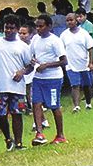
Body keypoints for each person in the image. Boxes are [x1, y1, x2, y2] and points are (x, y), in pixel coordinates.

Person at [0, 17, 31, 149]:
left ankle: (19, 142)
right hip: (0, 85)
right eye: (6, 28)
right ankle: (8, 138)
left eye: (11, 28)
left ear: (16, 29)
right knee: (0, 114)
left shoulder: (23, 47)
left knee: (17, 113)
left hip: (17, 86)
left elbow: (30, 66)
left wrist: (22, 72)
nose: (8, 30)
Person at [26, 15, 68, 143]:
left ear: (49, 26)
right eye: (37, 26)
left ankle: (60, 135)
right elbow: (32, 54)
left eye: (41, 26)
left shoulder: (55, 41)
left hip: (53, 78)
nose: (38, 29)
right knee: (36, 103)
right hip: (38, 77)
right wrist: (33, 61)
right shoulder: (35, 39)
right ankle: (39, 133)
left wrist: (47, 65)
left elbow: (64, 61)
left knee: (54, 106)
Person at [61, 10, 93, 110]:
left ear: (76, 20)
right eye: (67, 20)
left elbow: (90, 48)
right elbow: (61, 49)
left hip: (84, 64)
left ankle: (88, 103)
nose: (69, 22)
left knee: (86, 85)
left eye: (71, 20)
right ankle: (76, 106)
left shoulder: (83, 33)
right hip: (71, 64)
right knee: (75, 85)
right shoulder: (64, 35)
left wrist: (90, 62)